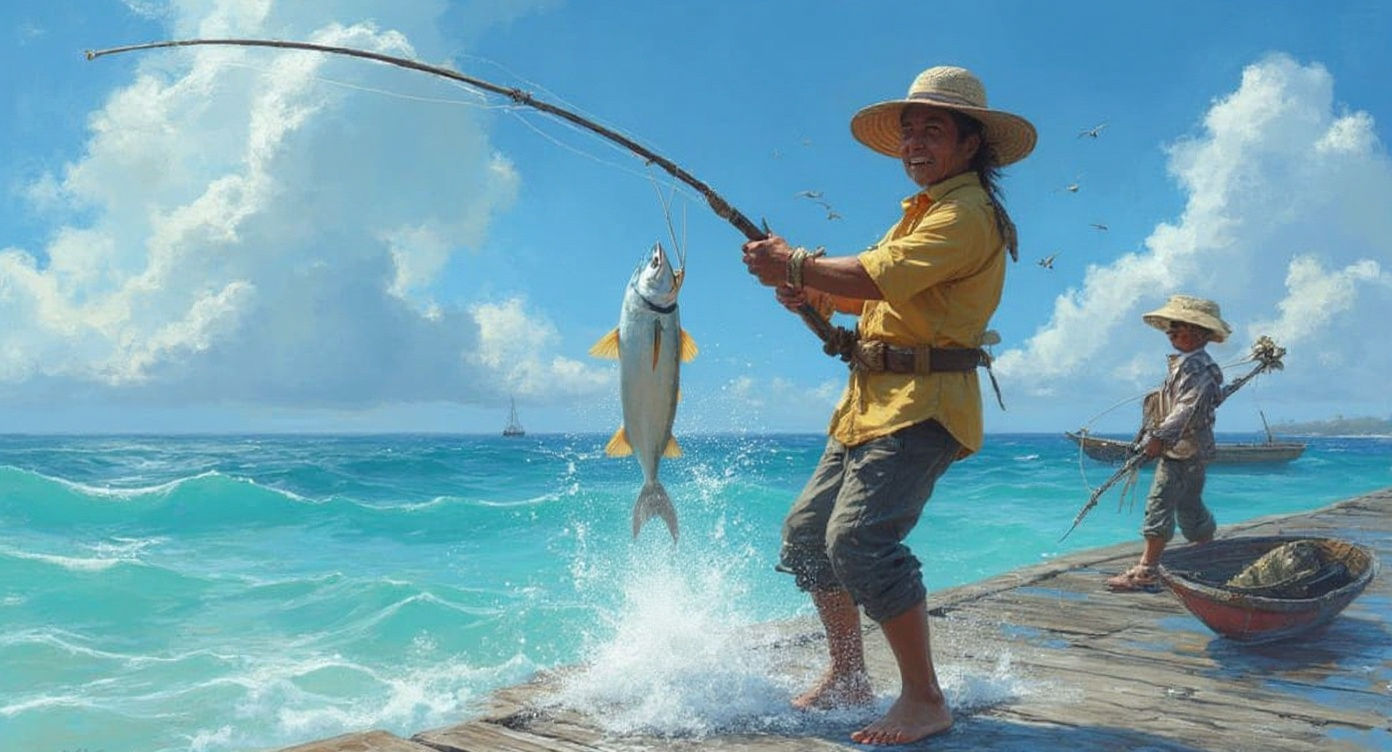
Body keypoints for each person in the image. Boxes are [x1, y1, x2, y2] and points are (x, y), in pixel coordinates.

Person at [741, 65, 1035, 745]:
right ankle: (849, 675)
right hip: (867, 407)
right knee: (808, 540)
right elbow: (865, 291)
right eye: (908, 132)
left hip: (923, 409)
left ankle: (925, 698)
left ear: (971, 144)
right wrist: (809, 288)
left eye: (932, 129)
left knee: (860, 542)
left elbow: (877, 275)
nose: (914, 142)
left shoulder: (966, 214)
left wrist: (796, 266)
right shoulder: (923, 213)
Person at [1105, 295, 1231, 592]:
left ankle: (1147, 571)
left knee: (1159, 503)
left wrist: (1159, 437)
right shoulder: (1192, 365)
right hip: (1193, 449)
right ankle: (1207, 558)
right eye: (1170, 328)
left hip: (1181, 450)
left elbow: (1186, 407)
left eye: (1177, 328)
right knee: (1189, 505)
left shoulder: (1195, 367)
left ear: (1197, 332)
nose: (1170, 333)